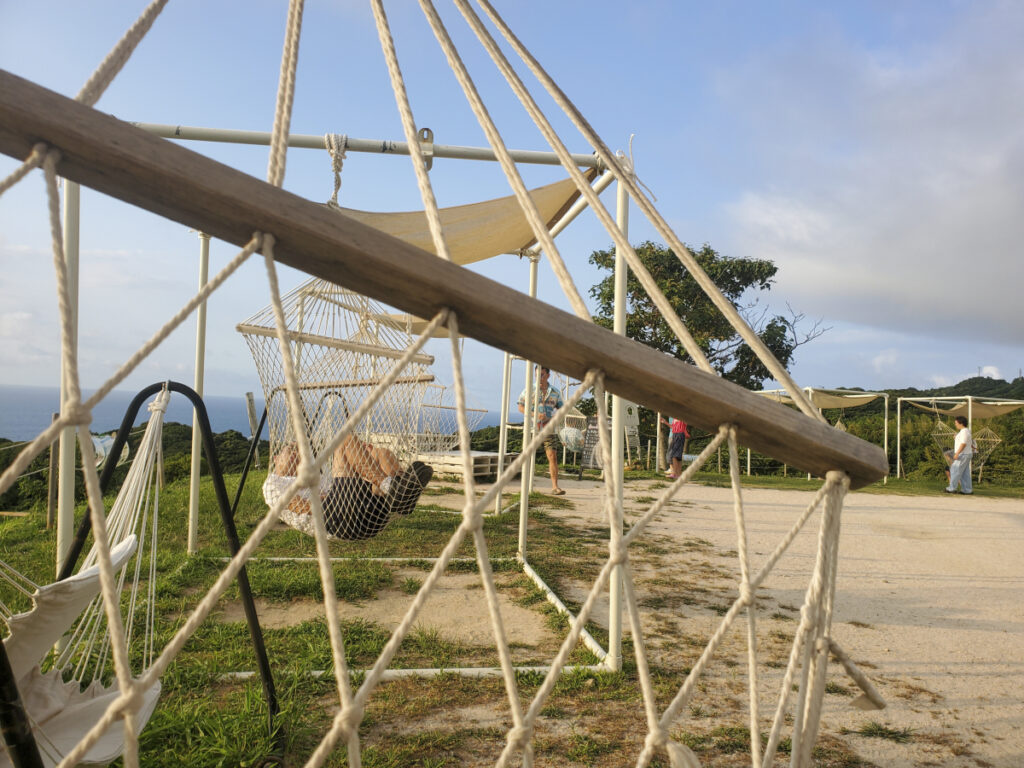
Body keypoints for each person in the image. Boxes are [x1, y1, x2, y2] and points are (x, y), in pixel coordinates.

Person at [264, 438, 433, 539]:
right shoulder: (273, 483)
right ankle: (393, 488)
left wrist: (365, 459)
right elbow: (294, 505)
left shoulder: (316, 477)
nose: (298, 454)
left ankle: (399, 495)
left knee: (381, 453)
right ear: (276, 458)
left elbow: (347, 483)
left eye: (301, 452)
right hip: (336, 519)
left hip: (370, 516)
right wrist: (321, 502)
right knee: (345, 442)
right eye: (292, 450)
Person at [518, 365, 565, 495]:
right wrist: (534, 414)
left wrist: (551, 418)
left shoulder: (555, 392)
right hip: (532, 428)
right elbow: (520, 406)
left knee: (552, 456)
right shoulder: (529, 389)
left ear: (548, 375)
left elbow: (562, 409)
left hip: (549, 429)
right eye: (537, 375)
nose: (539, 378)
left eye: (542, 375)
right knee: (527, 456)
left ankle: (555, 487)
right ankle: (525, 486)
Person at [944, 416, 974, 495]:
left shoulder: (964, 432)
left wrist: (957, 453)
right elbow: (963, 441)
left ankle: (952, 488)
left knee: (954, 470)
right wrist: (956, 438)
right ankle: (967, 490)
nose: (955, 424)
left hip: (962, 454)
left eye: (956, 423)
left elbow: (963, 444)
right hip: (966, 454)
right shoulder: (965, 431)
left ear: (961, 423)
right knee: (965, 473)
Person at [660, 415, 690, 480]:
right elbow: (673, 427)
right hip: (675, 435)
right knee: (678, 456)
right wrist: (665, 422)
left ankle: (674, 473)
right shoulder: (674, 419)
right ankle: (678, 474)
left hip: (679, 435)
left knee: (674, 455)